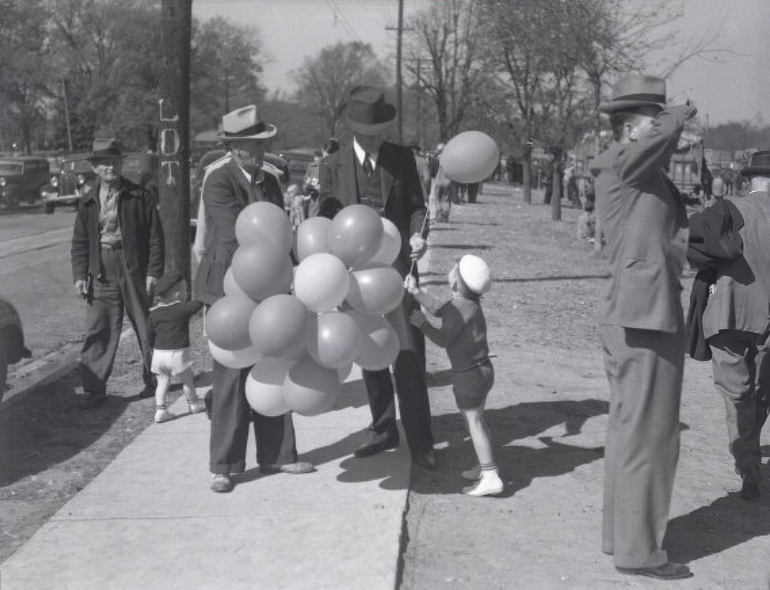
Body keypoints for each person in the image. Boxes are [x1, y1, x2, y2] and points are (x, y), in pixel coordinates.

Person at [590, 74, 696, 581]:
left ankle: (622, 537)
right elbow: (652, 146)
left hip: (636, 313)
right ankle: (640, 552)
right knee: (651, 437)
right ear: (634, 129)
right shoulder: (626, 163)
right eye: (654, 123)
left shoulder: (636, 171)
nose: (666, 131)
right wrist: (676, 114)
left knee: (630, 433)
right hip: (644, 317)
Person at [193, 105, 314, 493]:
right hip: (229, 288)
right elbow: (232, 235)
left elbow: (280, 231)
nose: (261, 151)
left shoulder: (271, 182)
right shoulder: (218, 181)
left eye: (263, 144)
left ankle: (278, 455)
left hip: (268, 286)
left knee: (273, 366)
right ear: (234, 147)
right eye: (252, 145)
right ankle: (224, 465)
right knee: (229, 375)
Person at [317, 85, 435, 469]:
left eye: (378, 131)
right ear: (352, 129)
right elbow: (325, 216)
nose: (373, 138)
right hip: (354, 274)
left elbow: (417, 207)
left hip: (399, 270)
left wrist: (419, 234)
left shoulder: (402, 159)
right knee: (369, 350)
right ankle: (383, 428)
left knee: (408, 353)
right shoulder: (331, 164)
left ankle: (422, 442)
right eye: (366, 132)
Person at [71, 137, 164, 410]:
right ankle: (94, 389)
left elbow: (156, 237)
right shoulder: (88, 200)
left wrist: (153, 271)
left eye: (114, 162)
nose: (110, 168)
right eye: (104, 163)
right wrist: (80, 274)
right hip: (101, 268)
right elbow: (79, 242)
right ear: (95, 168)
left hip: (133, 265)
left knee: (146, 325)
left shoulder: (140, 195)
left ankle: (156, 379)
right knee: (99, 328)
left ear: (121, 163)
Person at [701, 150, 770, 501]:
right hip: (767, 320)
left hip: (728, 314)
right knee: (759, 393)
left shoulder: (729, 208)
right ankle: (749, 459)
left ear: (749, 179)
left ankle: (748, 466)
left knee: (736, 394)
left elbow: (696, 246)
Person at [406, 255, 502, 496]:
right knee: (478, 420)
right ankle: (484, 464)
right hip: (483, 371)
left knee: (474, 423)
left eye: (454, 270)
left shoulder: (460, 308)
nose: (450, 271)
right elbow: (440, 309)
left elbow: (443, 339)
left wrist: (422, 324)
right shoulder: (466, 303)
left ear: (457, 283)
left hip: (468, 376)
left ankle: (491, 476)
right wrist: (417, 292)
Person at [147, 273, 206, 423]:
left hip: (159, 354)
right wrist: (207, 293)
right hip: (177, 354)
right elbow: (199, 303)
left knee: (162, 382)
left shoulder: (153, 313)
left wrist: (151, 347)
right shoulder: (182, 309)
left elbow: (149, 335)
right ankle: (193, 403)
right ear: (178, 294)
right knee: (187, 380)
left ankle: (161, 410)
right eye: (186, 291)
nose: (187, 294)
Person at [303, 138, 339, 218]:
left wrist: (324, 189)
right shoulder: (313, 166)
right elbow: (304, 189)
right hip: (316, 210)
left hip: (334, 212)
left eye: (330, 157)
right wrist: (309, 186)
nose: (327, 160)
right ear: (322, 152)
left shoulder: (341, 169)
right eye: (325, 156)